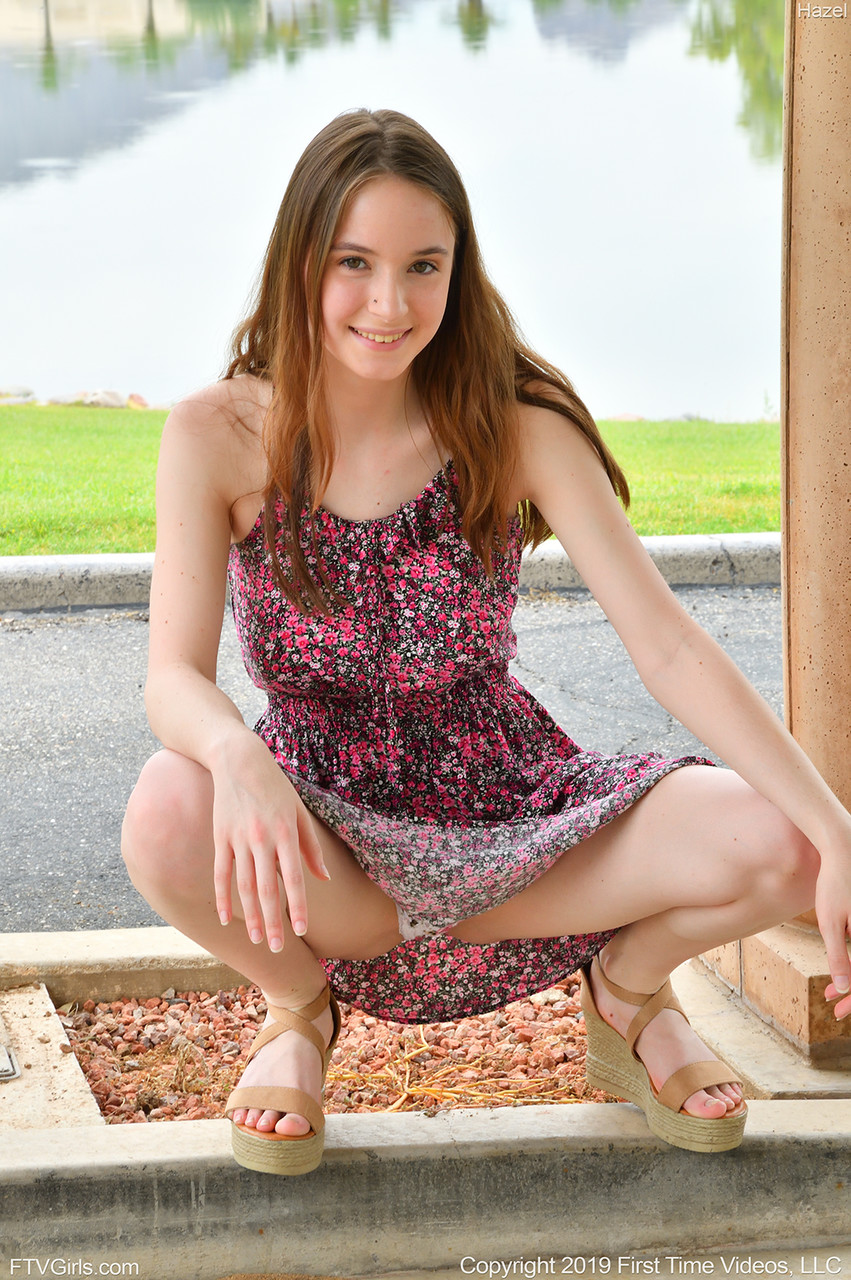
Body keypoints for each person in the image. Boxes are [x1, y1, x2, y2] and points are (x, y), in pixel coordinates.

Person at [122, 108, 851, 1175]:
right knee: (163, 808)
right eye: (353, 263)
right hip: (329, 844)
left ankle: (625, 992)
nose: (389, 304)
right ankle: (298, 1008)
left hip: (514, 823)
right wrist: (235, 754)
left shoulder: (511, 423)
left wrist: (835, 830)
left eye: (423, 266)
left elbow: (667, 645)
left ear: (457, 270)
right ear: (298, 261)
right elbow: (171, 678)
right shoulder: (214, 434)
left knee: (786, 842)